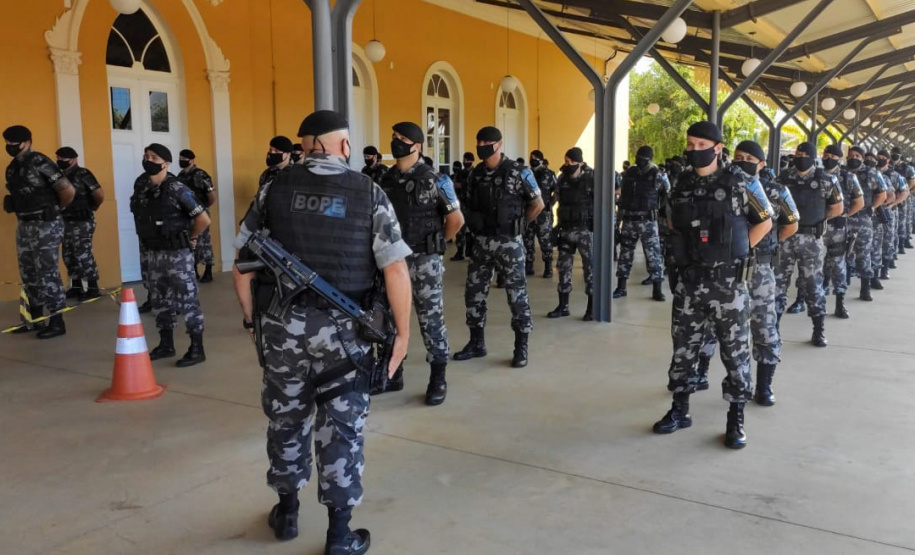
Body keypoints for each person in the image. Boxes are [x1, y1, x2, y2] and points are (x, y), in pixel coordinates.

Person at [232, 110, 412, 555]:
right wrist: (404, 336)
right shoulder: (368, 191)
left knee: (286, 416)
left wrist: (254, 319)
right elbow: (395, 269)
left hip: (282, 328)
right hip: (345, 336)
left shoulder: (274, 187)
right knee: (341, 427)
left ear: (304, 144)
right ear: (343, 146)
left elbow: (241, 266)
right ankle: (339, 534)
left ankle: (287, 512)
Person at [654, 121, 773, 450]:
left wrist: (737, 251)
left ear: (718, 148)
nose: (693, 150)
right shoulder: (681, 182)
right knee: (683, 351)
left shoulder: (741, 180)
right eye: (689, 144)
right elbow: (670, 221)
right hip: (690, 284)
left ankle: (735, 418)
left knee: (735, 355)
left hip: (729, 286)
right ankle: (680, 410)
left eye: (700, 144)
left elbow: (765, 220)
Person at [691, 141, 799, 404]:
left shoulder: (776, 191)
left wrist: (760, 247)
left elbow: (791, 225)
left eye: (750, 157)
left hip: (759, 268)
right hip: (725, 269)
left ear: (761, 164)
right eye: (738, 156)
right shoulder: (721, 186)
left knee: (763, 325)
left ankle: (763, 386)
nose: (742, 161)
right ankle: (701, 373)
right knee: (712, 324)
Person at [378, 122, 463, 405]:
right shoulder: (384, 179)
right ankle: (393, 372)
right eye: (394, 137)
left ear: (417, 145)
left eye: (402, 138)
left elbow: (455, 220)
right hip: (392, 262)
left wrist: (437, 246)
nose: (396, 142)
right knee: (389, 319)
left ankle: (438, 377)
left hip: (425, 260)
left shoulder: (437, 180)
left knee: (431, 319)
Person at [453, 126, 544, 367]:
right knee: (474, 293)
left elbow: (537, 204)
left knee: (516, 295)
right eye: (479, 140)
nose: (482, 145)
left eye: (487, 141)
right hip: (482, 242)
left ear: (499, 144)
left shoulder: (519, 172)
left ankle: (521, 347)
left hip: (509, 243)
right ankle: (476, 343)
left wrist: (519, 224)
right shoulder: (475, 174)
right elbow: (468, 203)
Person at [131, 143, 210, 367]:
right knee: (159, 299)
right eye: (146, 156)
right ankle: (166, 344)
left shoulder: (177, 188)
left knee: (188, 301)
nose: (148, 160)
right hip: (152, 252)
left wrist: (191, 238)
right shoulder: (142, 185)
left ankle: (197, 348)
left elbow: (203, 219)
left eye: (154, 157)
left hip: (177, 255)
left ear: (165, 163)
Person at [3, 125, 75, 338]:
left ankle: (56, 320)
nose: (9, 147)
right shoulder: (13, 167)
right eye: (6, 143)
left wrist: (54, 209)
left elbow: (68, 190)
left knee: (47, 272)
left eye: (13, 143)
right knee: (28, 272)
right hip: (24, 224)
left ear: (26, 142)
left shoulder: (40, 162)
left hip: (46, 224)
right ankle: (33, 318)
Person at [774, 142, 843, 347]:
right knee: (778, 284)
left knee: (813, 286)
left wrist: (818, 220)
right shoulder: (784, 177)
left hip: (812, 239)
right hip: (786, 237)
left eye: (805, 154)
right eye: (798, 153)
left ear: (813, 158)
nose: (800, 156)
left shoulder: (827, 179)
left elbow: (837, 208)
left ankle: (818, 330)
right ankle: (773, 329)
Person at [613, 145, 669, 302]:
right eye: (637, 156)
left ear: (649, 159)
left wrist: (657, 211)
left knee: (654, 256)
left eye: (642, 157)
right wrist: (618, 222)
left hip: (648, 221)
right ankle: (621, 287)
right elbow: (623, 198)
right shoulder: (630, 173)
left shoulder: (657, 174)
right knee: (625, 254)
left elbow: (665, 195)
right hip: (630, 220)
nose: (638, 159)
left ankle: (657, 289)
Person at [548, 147, 596, 319]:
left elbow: (604, 203)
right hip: (566, 229)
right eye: (566, 161)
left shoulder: (592, 178)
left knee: (590, 268)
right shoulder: (562, 179)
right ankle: (563, 306)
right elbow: (557, 201)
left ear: (580, 163)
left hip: (585, 230)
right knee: (563, 268)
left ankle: (591, 307)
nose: (567, 165)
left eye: (571, 162)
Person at [55, 146, 104, 301]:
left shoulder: (83, 174)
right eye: (59, 159)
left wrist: (91, 207)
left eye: (64, 159)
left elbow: (99, 194)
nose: (60, 162)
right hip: (66, 221)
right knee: (68, 255)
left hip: (82, 221)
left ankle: (92, 288)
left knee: (83, 254)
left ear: (74, 159)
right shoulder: (59, 176)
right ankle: (76, 287)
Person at [821, 144, 863, 318]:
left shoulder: (847, 177)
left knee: (838, 265)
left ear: (839, 159)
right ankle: (804, 299)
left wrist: (845, 214)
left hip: (838, 227)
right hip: (816, 227)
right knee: (811, 266)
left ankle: (840, 303)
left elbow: (859, 202)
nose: (828, 158)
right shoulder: (816, 175)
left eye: (833, 155)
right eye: (826, 154)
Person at [845, 146, 887, 301]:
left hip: (863, 219)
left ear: (862, 158)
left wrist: (873, 208)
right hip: (844, 218)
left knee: (863, 253)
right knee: (841, 252)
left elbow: (882, 194)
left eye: (857, 155)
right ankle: (844, 280)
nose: (854, 158)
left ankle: (865, 287)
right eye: (851, 155)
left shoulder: (872, 173)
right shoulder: (842, 173)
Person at [178, 149, 217, 283]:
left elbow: (212, 197)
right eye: (180, 157)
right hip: (186, 213)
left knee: (204, 242)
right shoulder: (180, 176)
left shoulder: (201, 175)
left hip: (200, 212)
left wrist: (203, 209)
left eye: (184, 158)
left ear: (192, 160)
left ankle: (208, 271)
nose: (181, 160)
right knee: (190, 241)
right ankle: (193, 270)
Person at [524, 149, 557, 278]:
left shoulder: (549, 174)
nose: (533, 159)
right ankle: (529, 265)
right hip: (529, 212)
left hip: (543, 214)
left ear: (542, 160)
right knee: (527, 240)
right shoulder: (525, 173)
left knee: (545, 240)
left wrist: (550, 205)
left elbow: (556, 192)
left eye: (536, 157)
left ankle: (548, 267)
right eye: (531, 156)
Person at [878, 149, 909, 276]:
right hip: (875, 213)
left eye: (882, 157)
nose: (879, 160)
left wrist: (893, 204)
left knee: (888, 238)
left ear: (888, 160)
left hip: (889, 212)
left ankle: (885, 267)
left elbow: (904, 192)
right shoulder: (872, 173)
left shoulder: (895, 175)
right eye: (878, 157)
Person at [451, 152, 475, 261]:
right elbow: (454, 185)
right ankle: (459, 252)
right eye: (464, 160)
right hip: (460, 204)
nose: (465, 163)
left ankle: (471, 252)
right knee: (460, 230)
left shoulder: (476, 173)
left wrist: (463, 185)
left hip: (472, 206)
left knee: (472, 230)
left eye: (468, 160)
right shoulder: (460, 173)